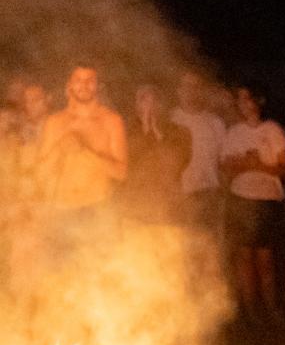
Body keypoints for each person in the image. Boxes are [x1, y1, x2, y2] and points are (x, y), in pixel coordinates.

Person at [219, 85, 285, 326]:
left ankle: (271, 309)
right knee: (244, 258)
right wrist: (245, 164)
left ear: (257, 102)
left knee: (265, 258)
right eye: (240, 100)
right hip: (242, 200)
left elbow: (284, 168)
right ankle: (251, 313)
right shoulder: (234, 132)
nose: (244, 104)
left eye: (247, 99)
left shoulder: (272, 130)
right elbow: (226, 167)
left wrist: (258, 164)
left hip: (266, 202)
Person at [34, 65, 128, 243]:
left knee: (103, 270)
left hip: (98, 210)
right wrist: (60, 146)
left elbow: (121, 172)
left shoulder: (111, 121)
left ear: (98, 86)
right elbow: (41, 174)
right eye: (78, 80)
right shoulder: (55, 122)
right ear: (69, 85)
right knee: (56, 271)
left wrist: (85, 151)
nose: (84, 85)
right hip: (61, 211)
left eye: (90, 80)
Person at [120, 83, 190, 225]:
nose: (149, 107)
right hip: (135, 206)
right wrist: (145, 129)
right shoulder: (126, 131)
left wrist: (156, 131)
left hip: (167, 206)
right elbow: (127, 160)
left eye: (153, 101)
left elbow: (179, 162)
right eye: (144, 101)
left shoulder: (178, 131)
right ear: (136, 105)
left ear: (160, 105)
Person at [171, 70, 226, 234]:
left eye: (196, 86)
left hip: (209, 193)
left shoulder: (215, 123)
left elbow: (223, 161)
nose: (191, 91)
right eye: (186, 86)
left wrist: (221, 194)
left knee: (208, 247)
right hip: (180, 194)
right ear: (178, 90)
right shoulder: (170, 119)